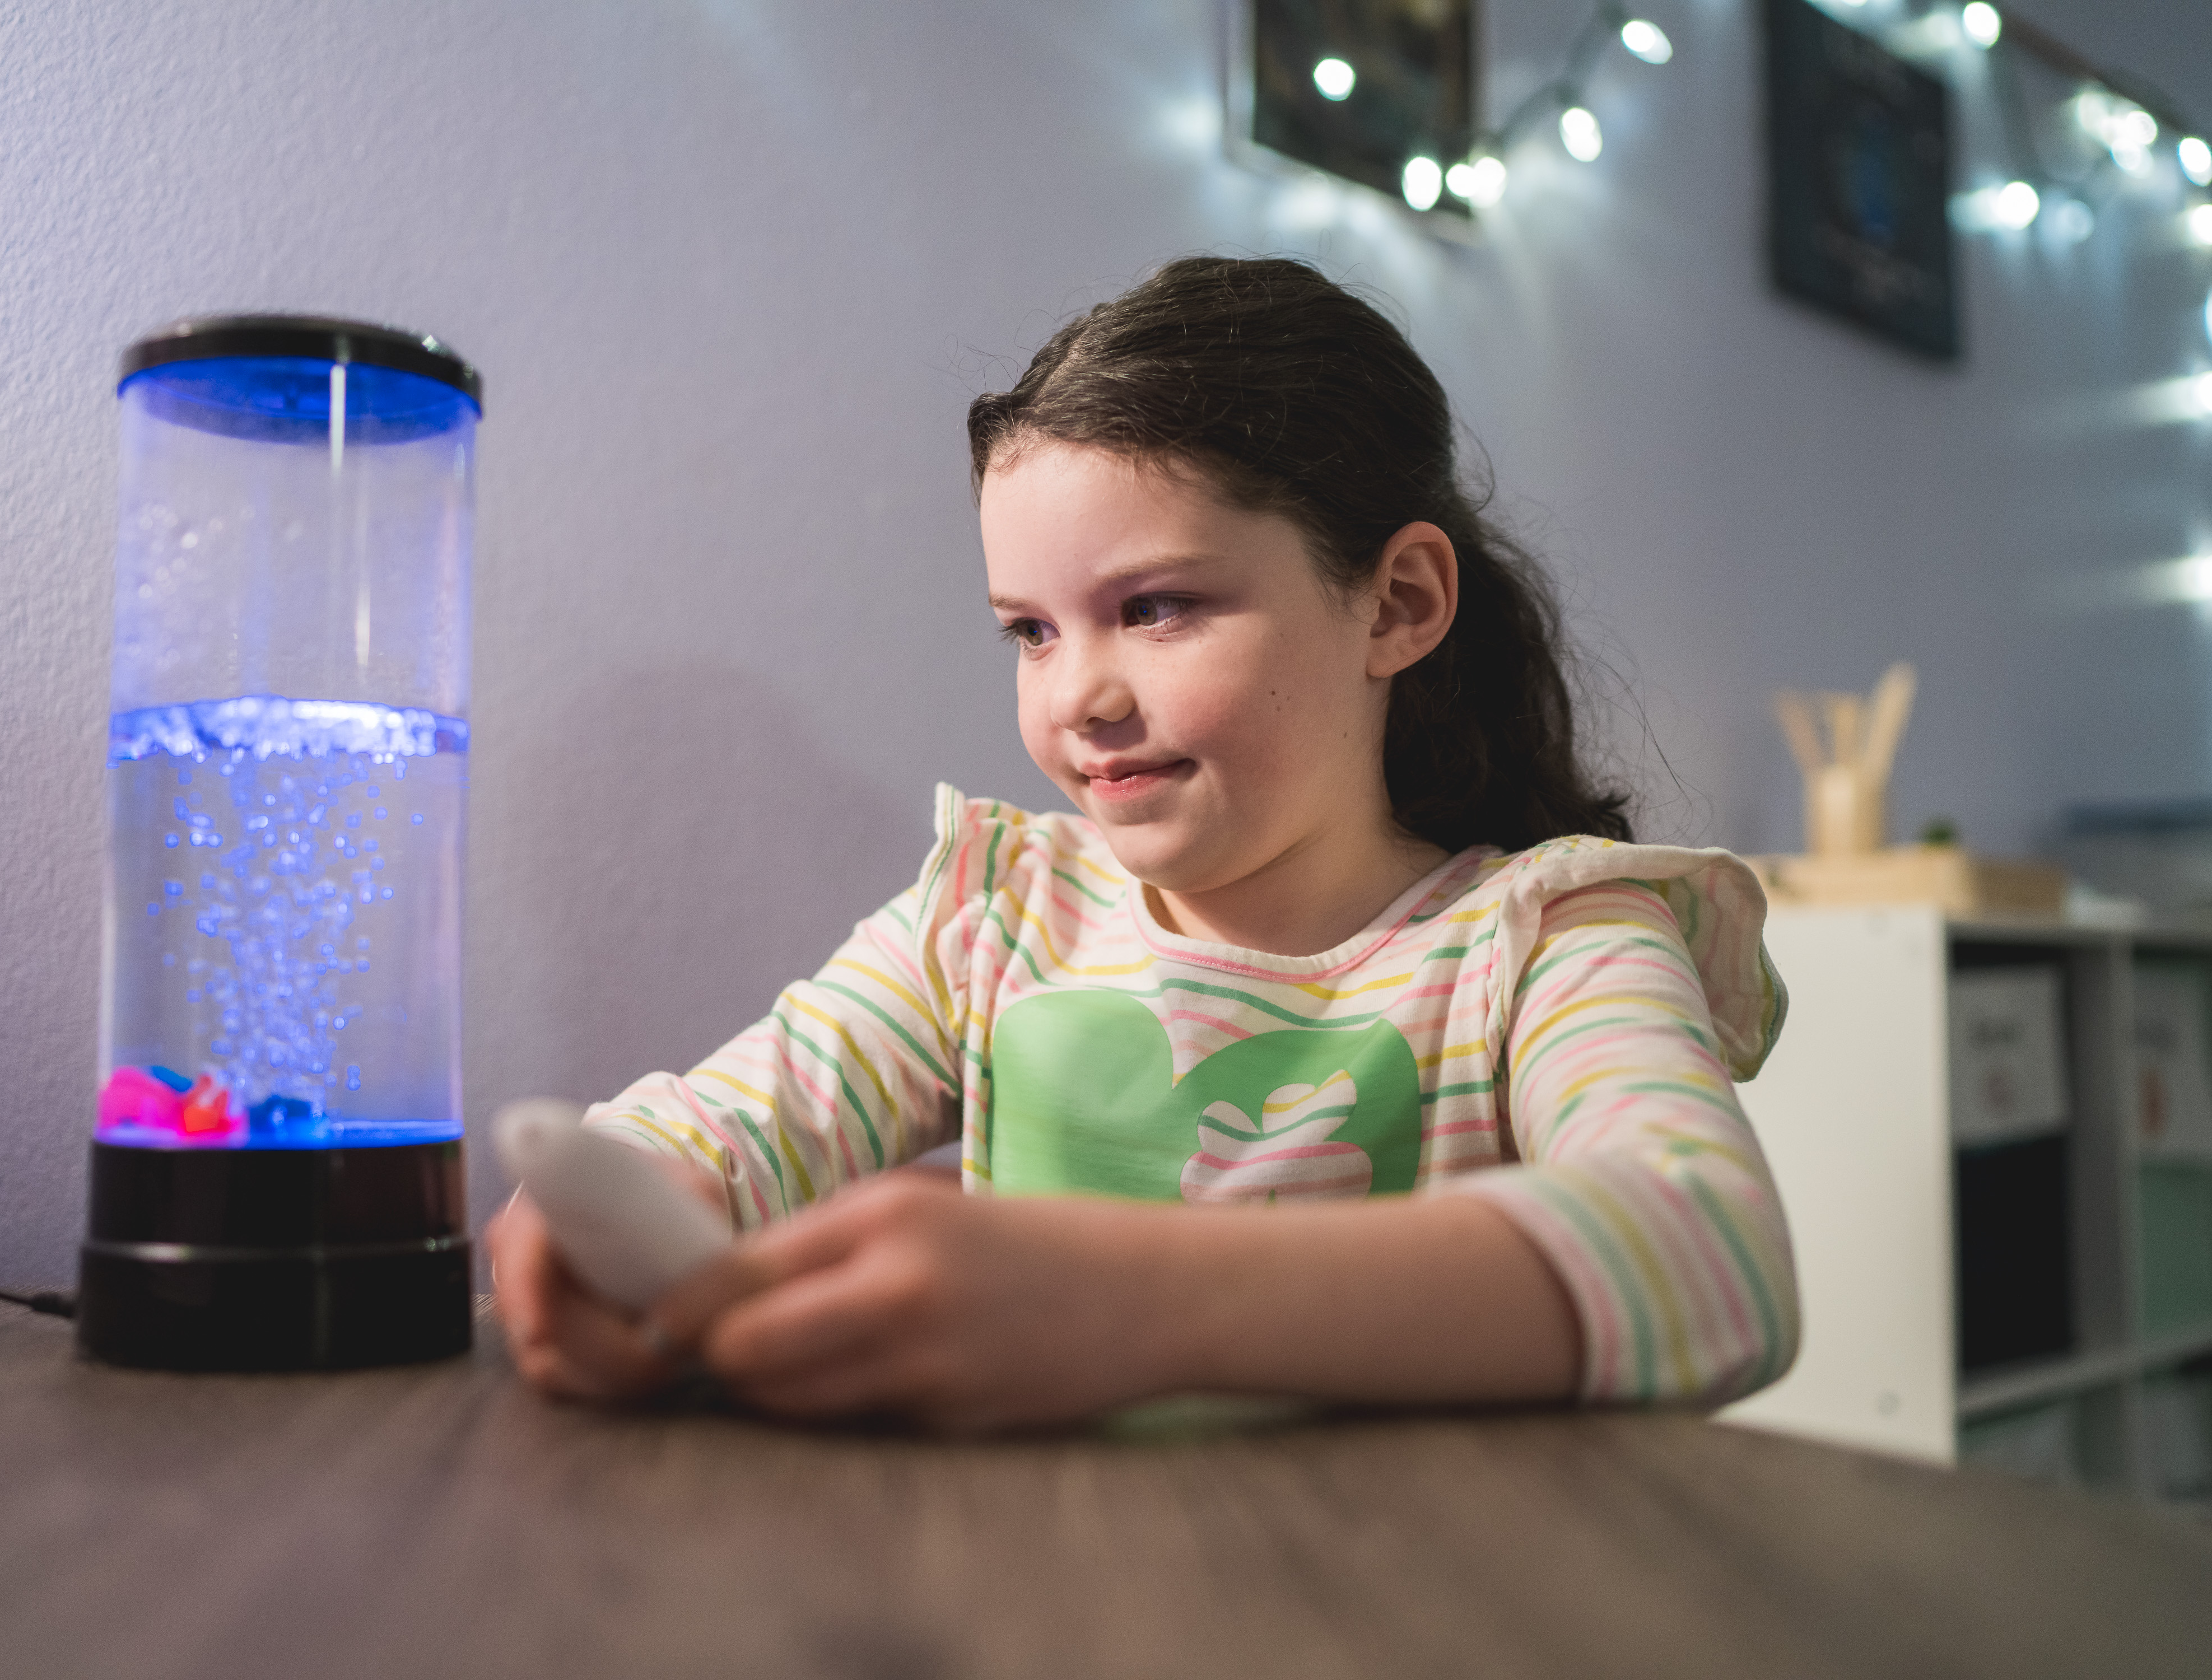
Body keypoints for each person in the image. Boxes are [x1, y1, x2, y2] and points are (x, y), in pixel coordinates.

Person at [487, 255, 1797, 1431]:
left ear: (1398, 604)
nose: (1079, 701)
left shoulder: (1550, 941)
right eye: (1032, 632)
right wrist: (612, 1203)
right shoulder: (992, 923)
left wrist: (1137, 1302)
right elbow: (735, 1128)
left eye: (1157, 608)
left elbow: (1712, 1254)